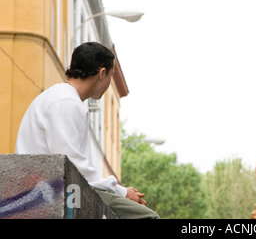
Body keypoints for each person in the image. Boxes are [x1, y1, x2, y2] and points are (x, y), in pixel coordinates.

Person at [15, 42, 159, 219]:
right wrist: (121, 192)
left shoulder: (62, 98)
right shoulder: (65, 102)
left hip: (54, 188)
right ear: (102, 73)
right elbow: (74, 166)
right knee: (147, 217)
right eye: (111, 76)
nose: (108, 84)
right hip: (52, 192)